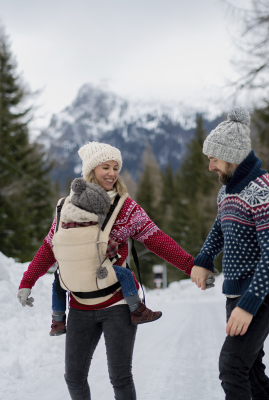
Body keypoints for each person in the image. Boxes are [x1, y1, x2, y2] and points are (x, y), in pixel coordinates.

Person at [17, 141, 195, 400]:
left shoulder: (127, 208)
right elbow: (49, 248)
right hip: (78, 305)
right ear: (90, 170)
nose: (112, 173)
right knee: (74, 378)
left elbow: (157, 240)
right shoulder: (65, 207)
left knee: (120, 377)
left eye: (116, 167)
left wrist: (191, 266)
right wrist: (27, 281)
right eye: (105, 167)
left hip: (118, 305)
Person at [190, 107, 269, 400]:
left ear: (233, 157)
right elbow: (220, 228)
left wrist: (247, 306)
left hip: (263, 294)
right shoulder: (228, 191)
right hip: (237, 293)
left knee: (232, 367)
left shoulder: (267, 191)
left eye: (214, 160)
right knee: (250, 370)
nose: (211, 167)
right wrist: (204, 258)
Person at [49, 177, 162, 336]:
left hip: (69, 279)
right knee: (125, 274)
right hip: (95, 278)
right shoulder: (98, 233)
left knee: (57, 284)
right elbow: (111, 254)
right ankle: (137, 310)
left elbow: (55, 252)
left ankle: (58, 321)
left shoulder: (61, 231)